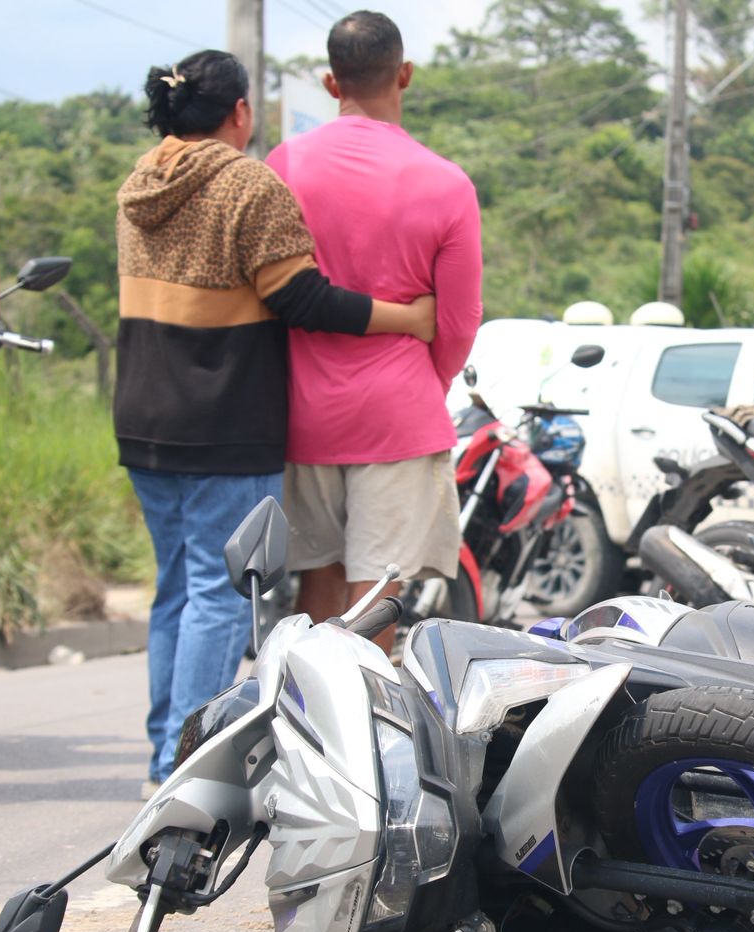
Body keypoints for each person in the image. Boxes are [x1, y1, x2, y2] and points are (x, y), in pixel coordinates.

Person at [118, 49, 435, 795]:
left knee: (175, 589)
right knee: (222, 592)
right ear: (239, 113)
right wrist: (409, 317)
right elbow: (303, 299)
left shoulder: (138, 183)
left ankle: (163, 751)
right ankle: (187, 763)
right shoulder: (246, 184)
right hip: (222, 417)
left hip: (142, 410)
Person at [267, 10, 483, 650]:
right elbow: (459, 318)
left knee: (317, 583)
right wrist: (427, 377)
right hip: (397, 413)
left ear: (333, 84)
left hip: (302, 412)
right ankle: (367, 740)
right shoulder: (446, 182)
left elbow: (268, 292)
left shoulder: (283, 165)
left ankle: (305, 732)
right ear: (405, 74)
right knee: (376, 602)